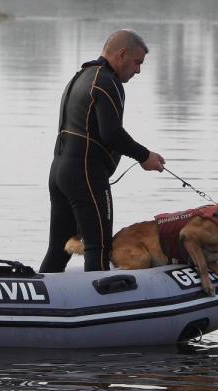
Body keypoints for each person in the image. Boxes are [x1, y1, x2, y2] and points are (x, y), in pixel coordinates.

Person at [39, 29, 166, 273]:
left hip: (60, 172)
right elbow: (112, 134)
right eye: (137, 62)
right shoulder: (108, 81)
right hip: (86, 174)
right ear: (122, 54)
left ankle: (36, 301)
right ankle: (99, 306)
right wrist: (145, 156)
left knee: (59, 249)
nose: (138, 70)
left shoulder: (82, 76)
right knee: (98, 247)